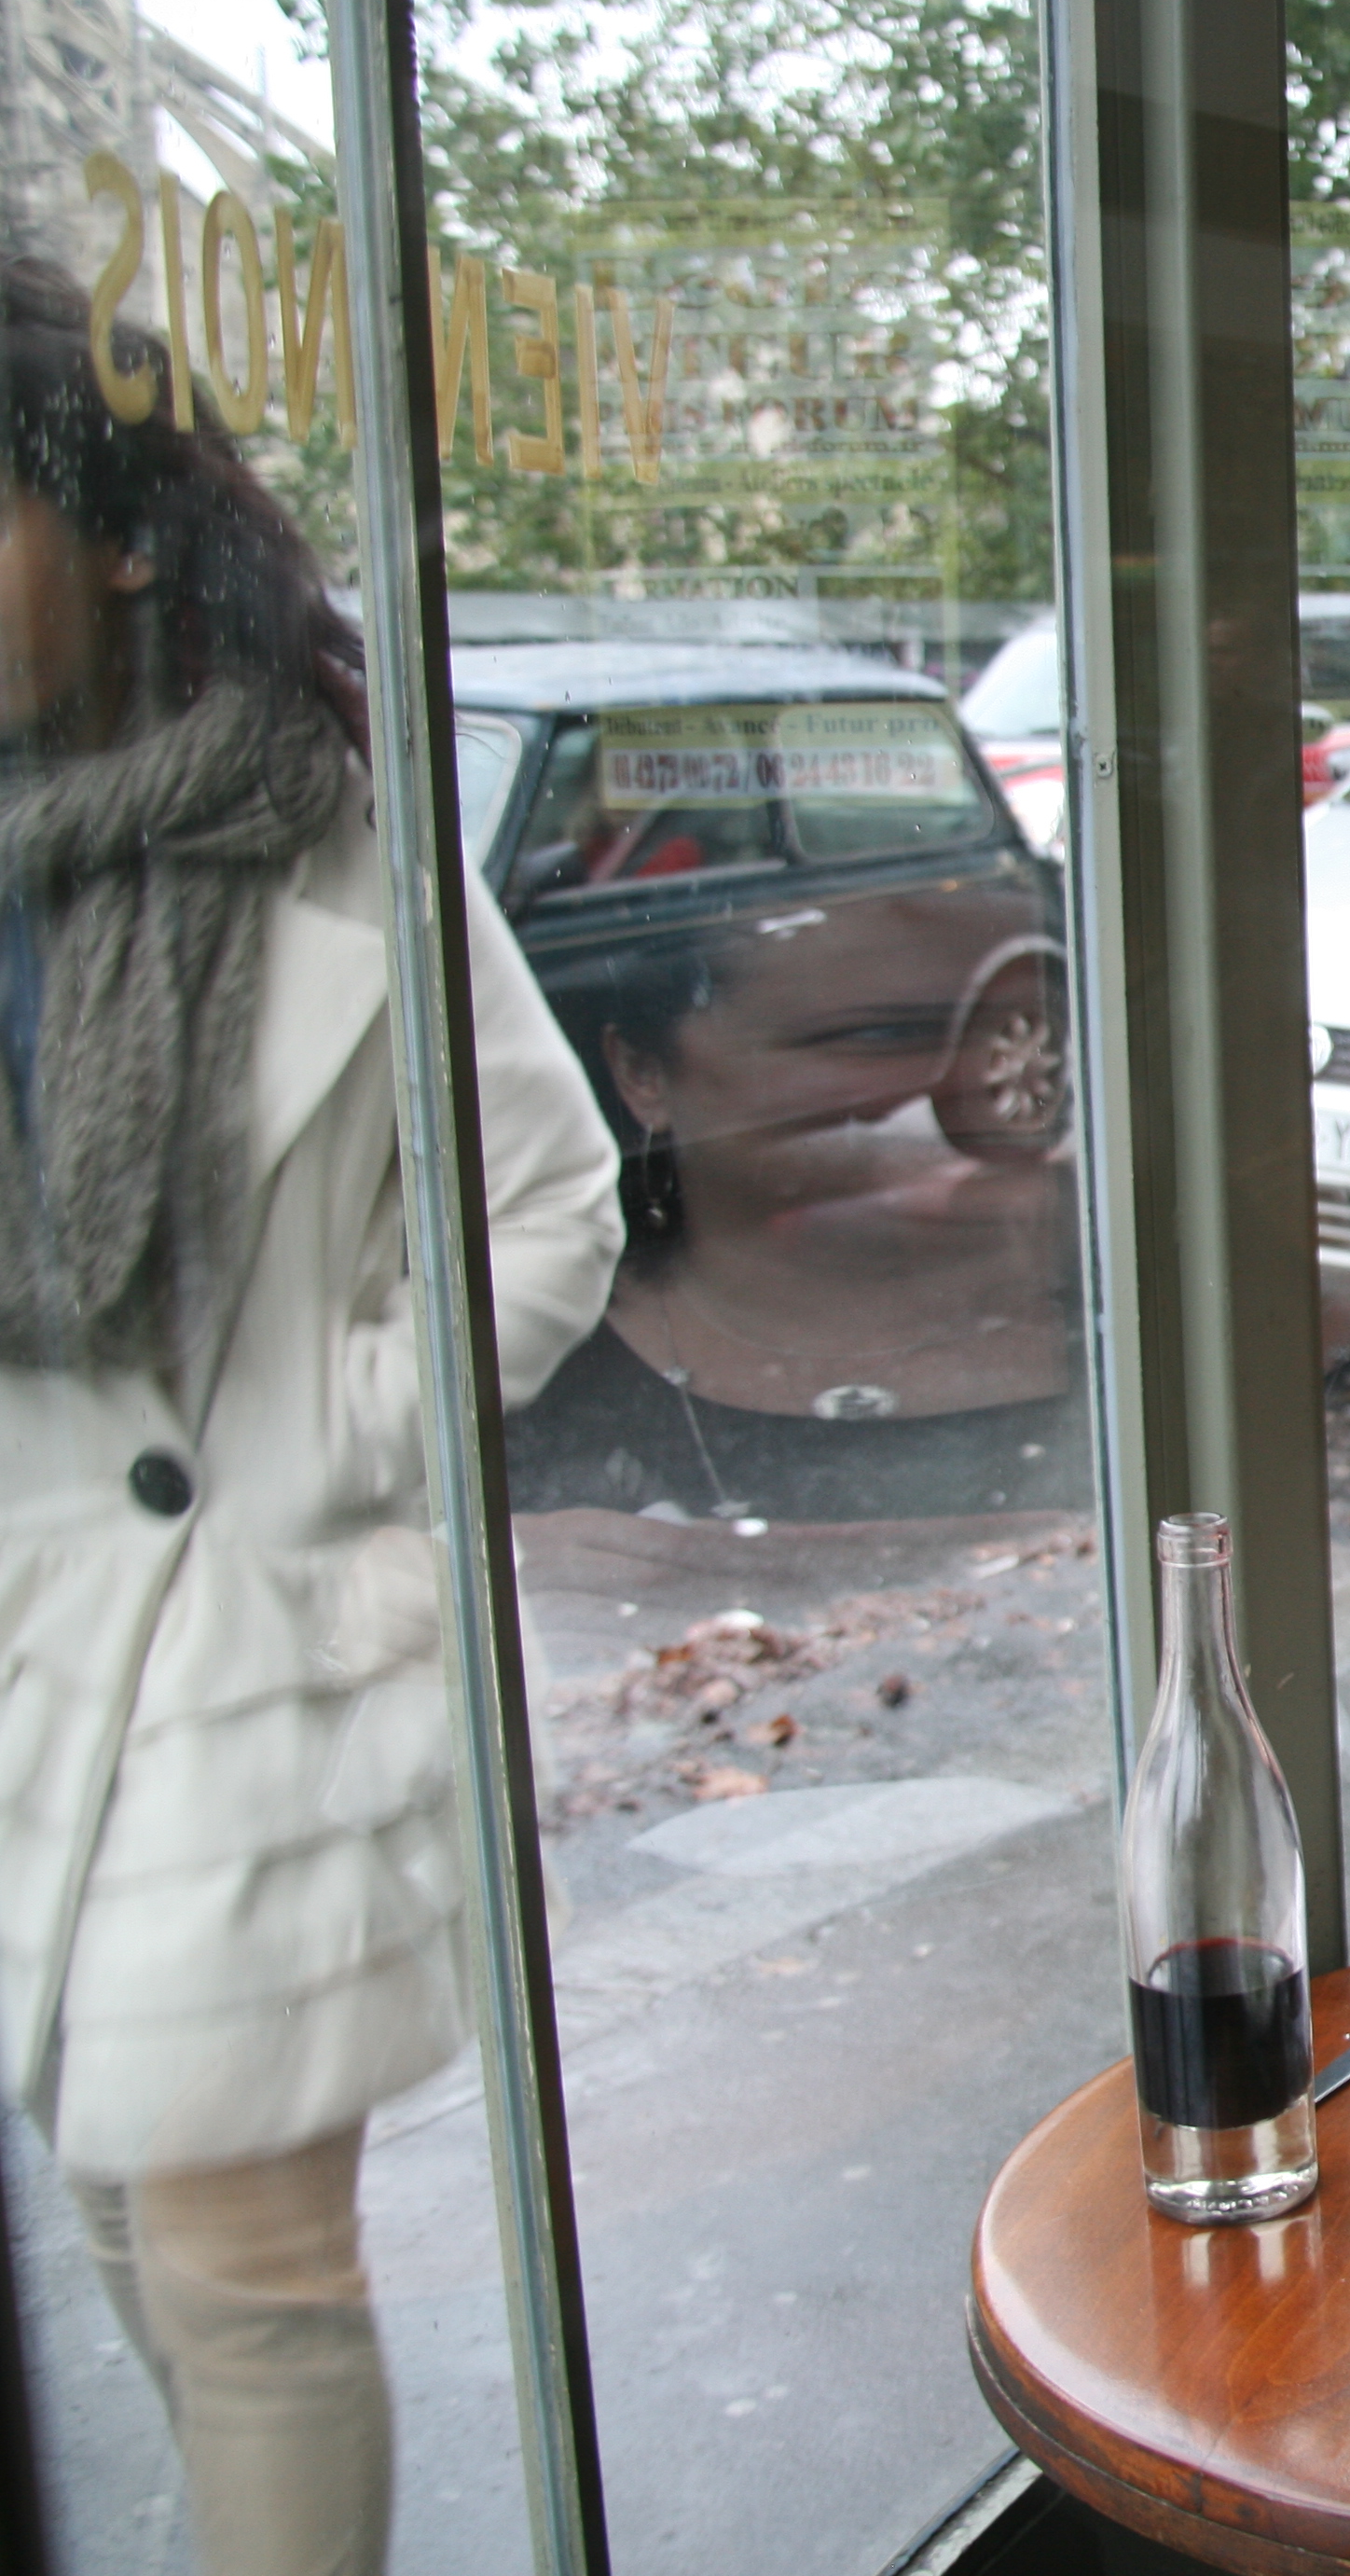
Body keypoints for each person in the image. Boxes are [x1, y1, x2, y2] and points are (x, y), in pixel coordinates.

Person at [0, 257, 621, 2576]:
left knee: (244, 2262)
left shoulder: (325, 836)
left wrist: (328, 1434)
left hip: (244, 1648)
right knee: (114, 2209)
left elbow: (553, 1204)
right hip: (29, 1637)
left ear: (121, 541)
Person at [503, 879, 1081, 1527]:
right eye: (841, 1038)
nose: (918, 1080)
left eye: (921, 1031)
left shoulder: (1098, 1309)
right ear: (643, 1074)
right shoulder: (556, 1377)